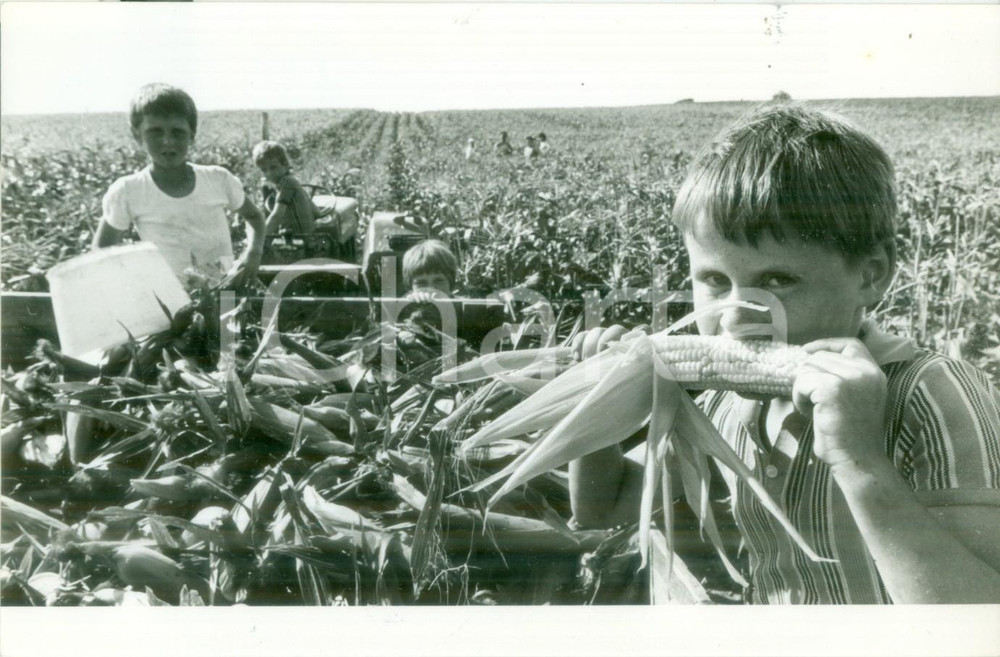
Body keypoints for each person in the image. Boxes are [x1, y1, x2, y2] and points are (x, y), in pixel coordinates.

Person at [569, 103, 1000, 604]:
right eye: (714, 281)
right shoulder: (719, 405)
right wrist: (593, 407)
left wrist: (858, 460)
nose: (734, 318)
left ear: (871, 274)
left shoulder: (934, 395)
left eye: (777, 280)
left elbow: (980, 620)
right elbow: (609, 508)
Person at [93, 84, 265, 289]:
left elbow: (255, 217)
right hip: (170, 299)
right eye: (155, 132)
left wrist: (253, 253)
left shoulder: (218, 179)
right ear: (137, 135)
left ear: (192, 134)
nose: (167, 141)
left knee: (231, 320)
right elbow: (102, 250)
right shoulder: (128, 190)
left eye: (177, 132)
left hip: (226, 288)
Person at [252, 140, 316, 235]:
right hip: (308, 235)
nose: (269, 173)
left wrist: (259, 238)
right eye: (264, 170)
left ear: (285, 165)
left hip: (298, 239)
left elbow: (277, 215)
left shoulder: (286, 183)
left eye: (273, 167)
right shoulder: (293, 182)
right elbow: (316, 212)